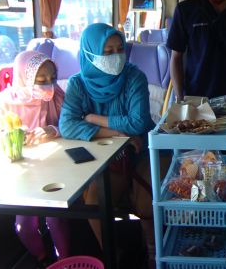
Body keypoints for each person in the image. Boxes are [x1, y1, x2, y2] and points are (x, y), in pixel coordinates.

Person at [58, 23, 157, 266]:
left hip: (139, 150)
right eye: (107, 52)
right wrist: (115, 132)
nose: (116, 57)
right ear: (90, 54)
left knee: (146, 200)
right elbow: (67, 126)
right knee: (94, 199)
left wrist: (92, 119)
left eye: (119, 49)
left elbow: (138, 122)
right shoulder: (78, 84)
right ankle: (111, 254)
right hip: (105, 154)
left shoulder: (134, 76)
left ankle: (154, 252)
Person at [0, 50, 69, 266]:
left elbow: (73, 121)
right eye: (40, 81)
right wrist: (2, 135)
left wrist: (53, 130)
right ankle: (41, 257)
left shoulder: (57, 95)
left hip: (56, 165)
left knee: (56, 217)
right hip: (22, 169)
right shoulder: (6, 101)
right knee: (24, 222)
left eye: (52, 79)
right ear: (24, 79)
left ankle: (66, 260)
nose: (48, 86)